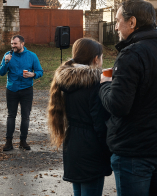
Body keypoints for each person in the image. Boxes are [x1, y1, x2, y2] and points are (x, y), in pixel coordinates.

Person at [99, 0, 157, 196]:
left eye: (118, 20)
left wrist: (106, 84)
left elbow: (118, 106)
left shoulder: (131, 54)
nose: (116, 27)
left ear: (132, 22)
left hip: (135, 154)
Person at [48, 38, 112, 196]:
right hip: (91, 147)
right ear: (96, 59)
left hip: (72, 143)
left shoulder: (64, 80)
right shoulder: (95, 83)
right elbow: (99, 123)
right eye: (101, 57)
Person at [0, 35, 43, 151]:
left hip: (26, 90)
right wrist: (6, 62)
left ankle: (23, 141)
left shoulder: (32, 56)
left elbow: (40, 71)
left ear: (22, 44)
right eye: (12, 44)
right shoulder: (7, 56)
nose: (13, 46)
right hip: (12, 90)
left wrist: (33, 75)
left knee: (25, 116)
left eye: (15, 44)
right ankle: (8, 142)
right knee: (11, 115)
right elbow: (1, 72)